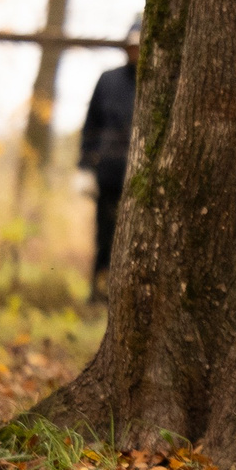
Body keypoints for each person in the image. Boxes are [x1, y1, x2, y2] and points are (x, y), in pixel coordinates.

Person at [79, 18, 138, 299]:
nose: (135, 51)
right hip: (109, 174)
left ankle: (123, 294)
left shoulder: (157, 82)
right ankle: (99, 291)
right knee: (105, 236)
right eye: (131, 46)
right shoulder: (108, 79)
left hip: (140, 178)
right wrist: (84, 167)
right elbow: (91, 124)